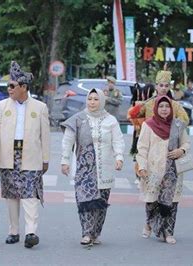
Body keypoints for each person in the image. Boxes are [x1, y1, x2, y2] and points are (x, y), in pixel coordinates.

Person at [0, 61, 50, 249]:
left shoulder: (40, 107)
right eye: (8, 85)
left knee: (30, 194)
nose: (9, 89)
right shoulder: (2, 106)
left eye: (12, 86)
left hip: (31, 155)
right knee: (12, 195)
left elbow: (45, 135)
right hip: (9, 154)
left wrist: (46, 158)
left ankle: (31, 231)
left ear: (23, 87)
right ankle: (13, 231)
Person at [60, 88, 124, 245]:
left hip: (105, 167)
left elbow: (118, 140)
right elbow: (68, 141)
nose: (92, 102)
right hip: (84, 168)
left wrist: (119, 157)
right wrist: (65, 160)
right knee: (85, 200)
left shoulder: (111, 121)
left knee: (101, 202)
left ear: (102, 101)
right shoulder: (78, 119)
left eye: (96, 99)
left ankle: (95, 232)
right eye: (90, 99)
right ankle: (86, 233)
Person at [136, 96, 190, 244]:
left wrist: (182, 151)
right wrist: (142, 166)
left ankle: (168, 231)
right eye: (161, 106)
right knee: (151, 201)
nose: (164, 109)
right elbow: (142, 148)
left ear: (171, 108)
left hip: (173, 171)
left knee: (171, 202)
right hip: (153, 170)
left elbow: (186, 143)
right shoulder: (148, 125)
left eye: (167, 106)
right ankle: (149, 222)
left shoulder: (178, 125)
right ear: (156, 108)